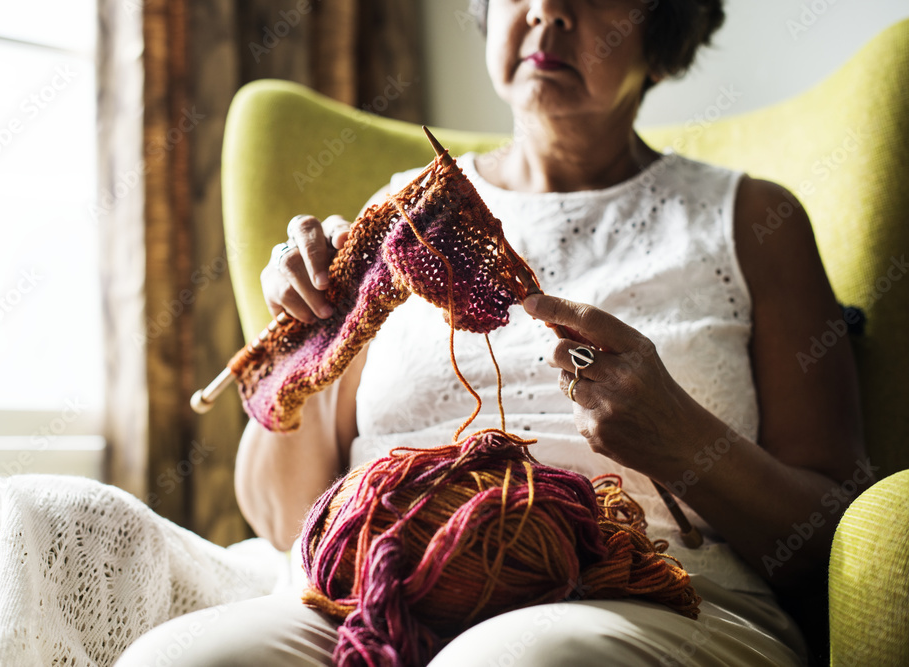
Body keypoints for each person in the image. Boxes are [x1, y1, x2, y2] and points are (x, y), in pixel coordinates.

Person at [126, 0, 865, 664]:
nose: (547, 10)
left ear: (665, 25)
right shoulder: (402, 216)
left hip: (652, 593)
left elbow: (833, 532)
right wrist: (308, 345)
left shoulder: (753, 223)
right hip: (375, 585)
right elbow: (285, 520)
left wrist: (683, 441)